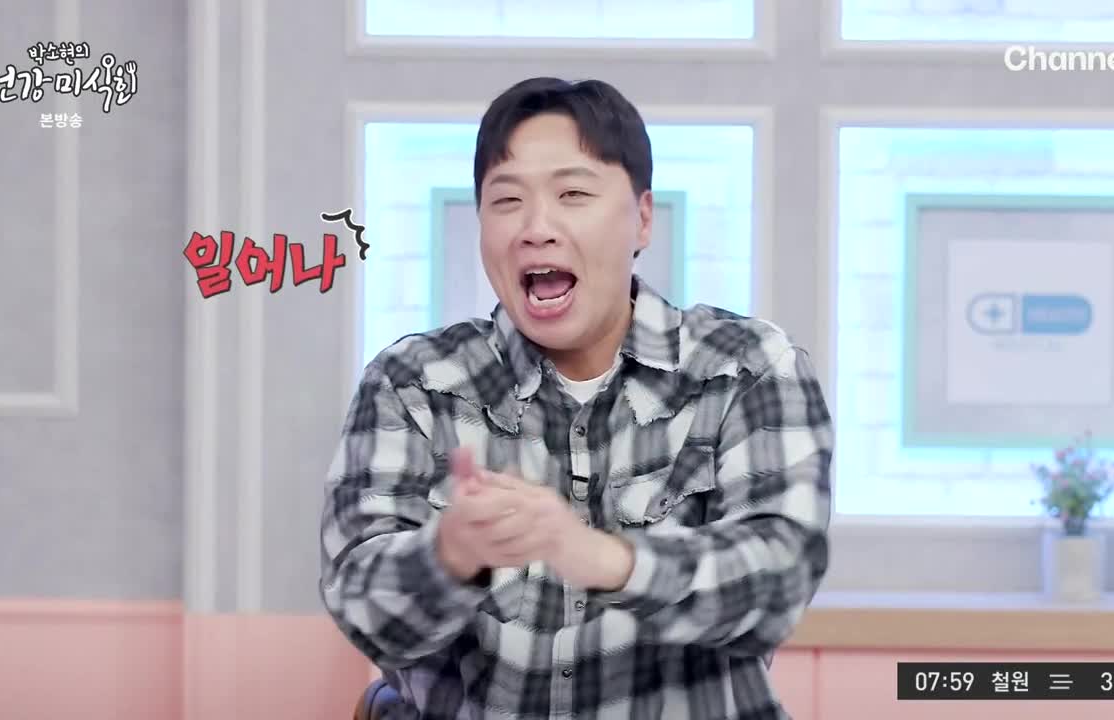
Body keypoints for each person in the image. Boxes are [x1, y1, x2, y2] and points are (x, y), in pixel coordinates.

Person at [320, 76, 833, 720]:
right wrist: (450, 553)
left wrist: (605, 559)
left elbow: (778, 580)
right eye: (507, 200)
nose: (537, 228)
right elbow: (362, 609)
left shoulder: (747, 368)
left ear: (642, 218)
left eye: (573, 194)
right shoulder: (413, 383)